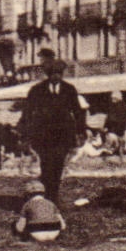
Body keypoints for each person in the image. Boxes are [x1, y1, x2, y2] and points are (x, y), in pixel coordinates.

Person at [18, 56, 85, 204]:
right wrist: (24, 135)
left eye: (59, 73)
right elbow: (27, 112)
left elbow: (78, 111)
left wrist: (81, 132)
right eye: (53, 73)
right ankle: (48, 196)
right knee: (46, 165)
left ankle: (52, 196)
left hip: (63, 136)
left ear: (62, 74)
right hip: (43, 137)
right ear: (48, 75)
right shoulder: (36, 90)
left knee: (58, 166)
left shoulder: (69, 89)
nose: (56, 76)